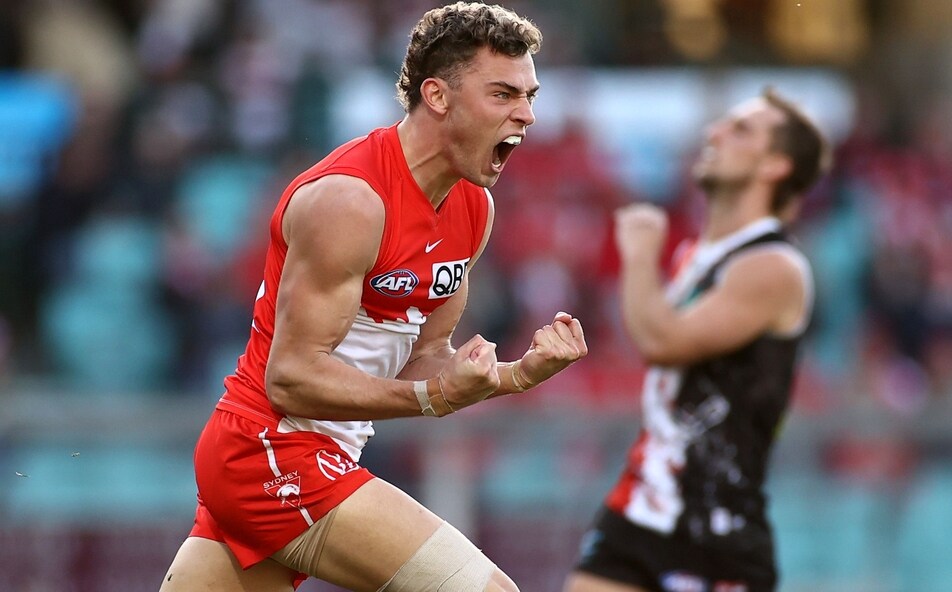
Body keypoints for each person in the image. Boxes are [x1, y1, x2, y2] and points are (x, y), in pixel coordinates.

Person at [159, 3, 588, 591]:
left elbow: (425, 358)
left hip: (305, 455)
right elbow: (290, 379)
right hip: (271, 451)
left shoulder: (473, 208)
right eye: (503, 94)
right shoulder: (350, 201)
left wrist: (515, 375)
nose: (527, 114)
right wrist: (433, 398)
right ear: (437, 96)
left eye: (530, 96)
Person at [563, 89, 831, 592]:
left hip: (713, 528)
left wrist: (638, 254)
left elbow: (660, 340)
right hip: (639, 506)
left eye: (740, 129)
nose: (714, 133)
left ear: (775, 165)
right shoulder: (696, 254)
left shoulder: (774, 265)